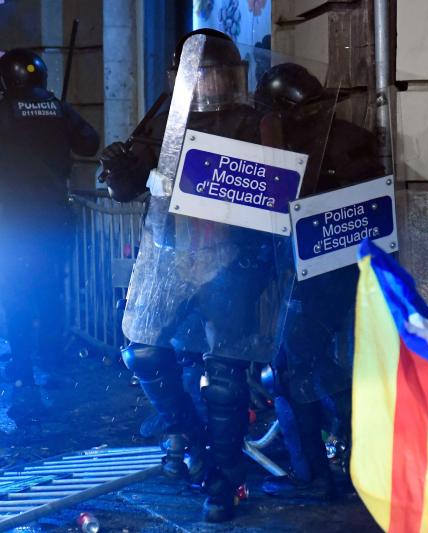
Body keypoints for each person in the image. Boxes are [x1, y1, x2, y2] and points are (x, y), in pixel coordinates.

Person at [100, 29, 266, 522]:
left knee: (226, 372)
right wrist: (120, 170)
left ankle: (228, 479)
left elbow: (275, 187)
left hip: (229, 253)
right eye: (202, 72)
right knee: (142, 349)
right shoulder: (166, 120)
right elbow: (129, 187)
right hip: (168, 251)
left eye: (218, 71)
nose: (210, 80)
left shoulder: (253, 121)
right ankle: (195, 448)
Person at [255, 63, 385, 500]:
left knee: (291, 370)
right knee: (310, 366)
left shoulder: (332, 144)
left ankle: (314, 475)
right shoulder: (337, 138)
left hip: (321, 276)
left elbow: (361, 208)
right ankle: (350, 456)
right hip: (319, 273)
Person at [0, 48, 99, 424]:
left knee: (16, 299)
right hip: (54, 221)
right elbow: (90, 142)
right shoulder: (58, 107)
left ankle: (23, 374)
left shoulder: (5, 109)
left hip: (13, 222)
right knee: (51, 294)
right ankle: (54, 367)